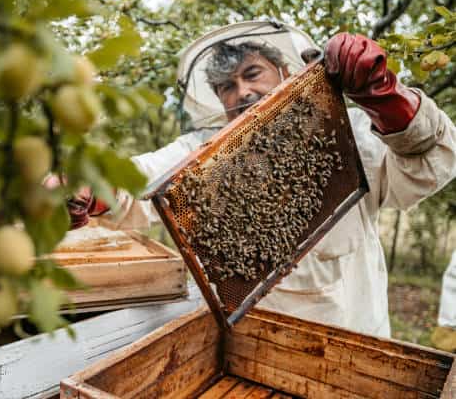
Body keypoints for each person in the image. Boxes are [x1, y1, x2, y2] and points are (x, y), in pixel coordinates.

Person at [61, 21, 456, 338]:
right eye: (227, 87)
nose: (242, 92)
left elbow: (428, 162)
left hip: (352, 338)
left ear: (285, 71)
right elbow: (141, 178)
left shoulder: (343, 130)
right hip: (251, 345)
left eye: (252, 74)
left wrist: (386, 99)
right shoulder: (203, 152)